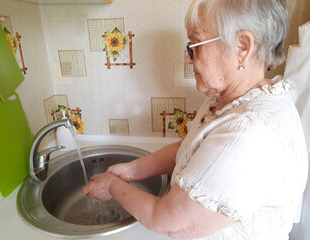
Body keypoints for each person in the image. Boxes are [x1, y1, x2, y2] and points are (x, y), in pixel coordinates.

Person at [82, 0, 309, 239]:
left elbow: (168, 221)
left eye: (196, 45)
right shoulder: (229, 100)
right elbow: (190, 148)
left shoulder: (249, 132)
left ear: (242, 46)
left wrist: (111, 186)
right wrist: (132, 170)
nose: (188, 58)